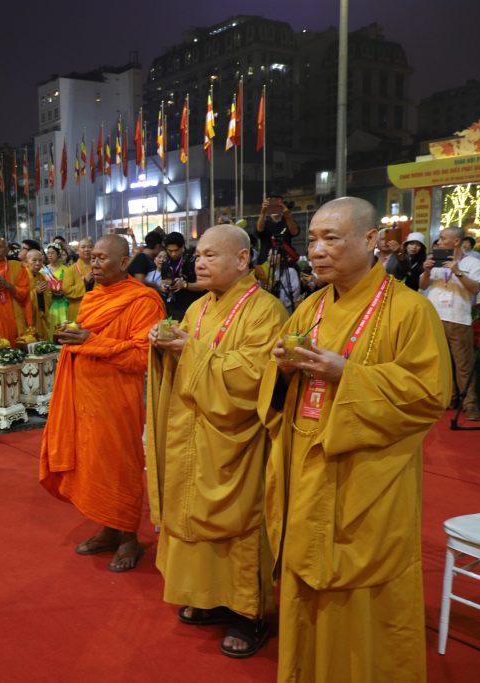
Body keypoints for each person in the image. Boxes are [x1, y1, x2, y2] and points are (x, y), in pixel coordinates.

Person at [257, 197, 451, 682]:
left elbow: (430, 395)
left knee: (362, 584)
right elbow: (275, 390)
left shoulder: (410, 310)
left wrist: (349, 374)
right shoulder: (309, 307)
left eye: (331, 238)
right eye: (312, 239)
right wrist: (283, 370)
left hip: (366, 474)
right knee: (305, 574)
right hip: (305, 461)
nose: (316, 250)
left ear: (370, 240)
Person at [146, 224, 286, 658]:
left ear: (242, 260)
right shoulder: (198, 307)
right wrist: (164, 346)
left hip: (235, 437)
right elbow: (186, 357)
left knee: (239, 523)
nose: (199, 263)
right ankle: (209, 597)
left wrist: (189, 351)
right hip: (192, 429)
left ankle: (249, 612)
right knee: (192, 513)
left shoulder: (266, 311)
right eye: (198, 255)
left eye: (210, 255)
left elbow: (254, 376)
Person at [40, 234, 165, 572]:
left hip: (117, 399)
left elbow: (142, 355)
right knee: (94, 463)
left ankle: (128, 538)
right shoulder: (94, 296)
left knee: (120, 465)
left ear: (124, 262)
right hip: (85, 396)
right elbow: (86, 339)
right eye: (91, 256)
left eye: (101, 258)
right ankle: (109, 529)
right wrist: (72, 338)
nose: (93, 263)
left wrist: (90, 341)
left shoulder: (144, 300)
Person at [421, 226, 480, 421]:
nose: (439, 242)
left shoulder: (473, 262)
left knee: (463, 365)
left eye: (442, 238)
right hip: (435, 317)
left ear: (456, 241)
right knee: (441, 362)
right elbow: (422, 285)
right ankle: (449, 398)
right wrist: (426, 271)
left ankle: (470, 404)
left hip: (458, 319)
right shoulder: (436, 260)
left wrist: (457, 272)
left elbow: (476, 288)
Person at [160, 233, 204, 320]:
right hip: (173, 307)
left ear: (182, 247)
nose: (173, 254)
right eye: (170, 251)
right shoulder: (166, 262)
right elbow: (164, 280)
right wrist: (164, 285)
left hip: (192, 306)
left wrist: (185, 285)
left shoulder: (193, 261)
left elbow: (203, 286)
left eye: (176, 250)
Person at [255, 195, 300, 265]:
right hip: (266, 262)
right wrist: (263, 212)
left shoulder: (288, 221)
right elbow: (259, 230)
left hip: (286, 262)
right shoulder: (264, 222)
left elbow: (295, 232)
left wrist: (287, 215)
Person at [24, 249, 52, 340]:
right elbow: (20, 297)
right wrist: (35, 292)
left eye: (40, 260)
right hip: (27, 318)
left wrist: (43, 294)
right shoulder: (23, 276)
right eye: (34, 260)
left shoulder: (42, 277)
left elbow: (48, 296)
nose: (38, 263)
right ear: (26, 262)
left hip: (40, 316)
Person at [42, 243, 69, 331]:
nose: (50, 255)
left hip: (63, 302)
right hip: (49, 302)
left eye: (52, 253)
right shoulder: (43, 270)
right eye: (48, 253)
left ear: (58, 254)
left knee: (63, 326)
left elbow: (68, 285)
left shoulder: (66, 269)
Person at [65, 237, 93, 320]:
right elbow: (67, 291)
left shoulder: (98, 268)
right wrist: (85, 282)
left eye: (90, 247)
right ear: (77, 250)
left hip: (95, 306)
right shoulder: (71, 270)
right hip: (77, 308)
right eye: (83, 247)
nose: (87, 249)